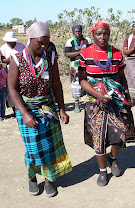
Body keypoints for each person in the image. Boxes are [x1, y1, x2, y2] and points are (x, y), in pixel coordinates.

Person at [8, 22, 72, 197]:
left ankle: (49, 179)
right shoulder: (17, 59)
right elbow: (12, 89)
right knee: (33, 148)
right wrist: (25, 113)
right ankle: (31, 177)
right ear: (30, 39)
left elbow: (57, 85)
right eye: (40, 43)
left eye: (46, 43)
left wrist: (62, 109)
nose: (43, 46)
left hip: (47, 108)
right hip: (26, 109)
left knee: (50, 146)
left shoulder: (50, 58)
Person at [78, 22, 135, 186]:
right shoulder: (85, 54)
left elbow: (121, 76)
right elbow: (82, 80)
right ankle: (103, 171)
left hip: (115, 100)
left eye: (105, 34)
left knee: (120, 135)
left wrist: (127, 94)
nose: (102, 37)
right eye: (98, 34)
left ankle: (113, 157)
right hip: (95, 102)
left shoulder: (117, 53)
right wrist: (98, 94)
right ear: (93, 35)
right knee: (99, 138)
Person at [65, 25, 92, 112]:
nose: (77, 33)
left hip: (86, 63)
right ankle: (76, 104)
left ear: (81, 31)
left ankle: (89, 102)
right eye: (76, 32)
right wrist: (80, 52)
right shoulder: (70, 41)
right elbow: (67, 54)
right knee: (75, 83)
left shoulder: (87, 40)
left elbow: (92, 50)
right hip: (74, 64)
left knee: (88, 81)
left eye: (79, 31)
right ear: (73, 32)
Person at [1, 32, 25, 117]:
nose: (9, 43)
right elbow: (3, 60)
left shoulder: (21, 46)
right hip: (9, 71)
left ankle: (23, 108)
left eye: (11, 41)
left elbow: (25, 57)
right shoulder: (3, 48)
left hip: (22, 70)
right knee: (11, 89)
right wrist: (11, 59)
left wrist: (16, 59)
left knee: (22, 88)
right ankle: (15, 111)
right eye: (8, 41)